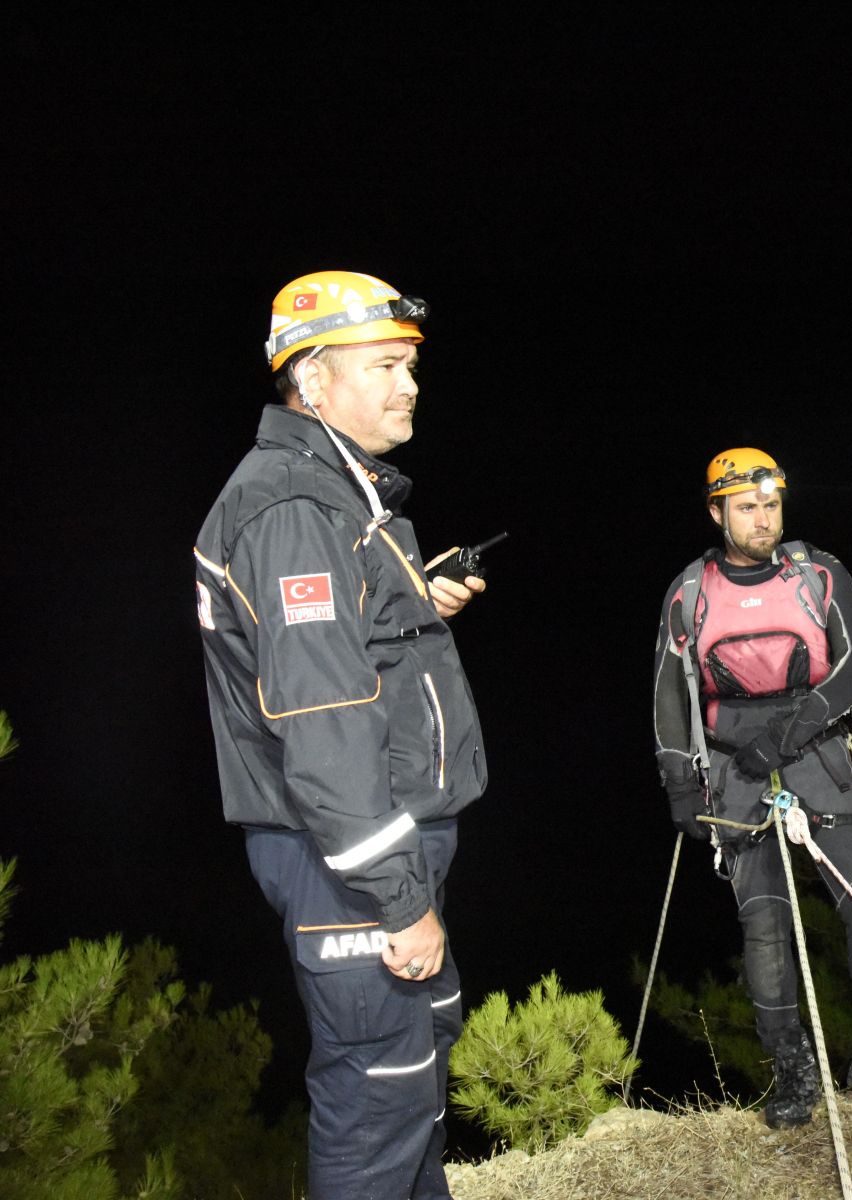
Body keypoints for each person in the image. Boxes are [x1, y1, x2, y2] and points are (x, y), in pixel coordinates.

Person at [193, 270, 489, 1199]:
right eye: (386, 364)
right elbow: (322, 730)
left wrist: (412, 595)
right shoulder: (295, 508)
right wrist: (399, 900)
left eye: (411, 364)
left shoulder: (340, 495)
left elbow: (343, 649)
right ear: (313, 379)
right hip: (351, 859)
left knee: (417, 1067)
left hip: (379, 844)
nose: (410, 384)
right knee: (377, 1094)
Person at [651, 448, 852, 1131]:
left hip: (817, 751)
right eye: (746, 507)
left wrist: (794, 729)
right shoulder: (691, 592)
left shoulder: (820, 574)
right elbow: (667, 690)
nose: (762, 519)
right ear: (717, 511)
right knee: (765, 926)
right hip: (733, 769)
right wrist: (679, 782)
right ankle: (793, 1071)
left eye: (771, 505)